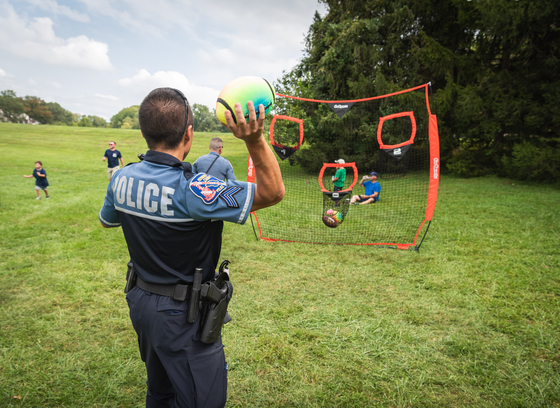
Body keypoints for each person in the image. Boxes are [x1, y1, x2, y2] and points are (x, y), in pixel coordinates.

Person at [98, 88, 284, 408]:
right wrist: (254, 139)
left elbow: (107, 221)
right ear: (189, 134)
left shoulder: (122, 178)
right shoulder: (194, 189)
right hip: (183, 316)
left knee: (160, 392)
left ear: (145, 132)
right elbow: (273, 192)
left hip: (140, 302)